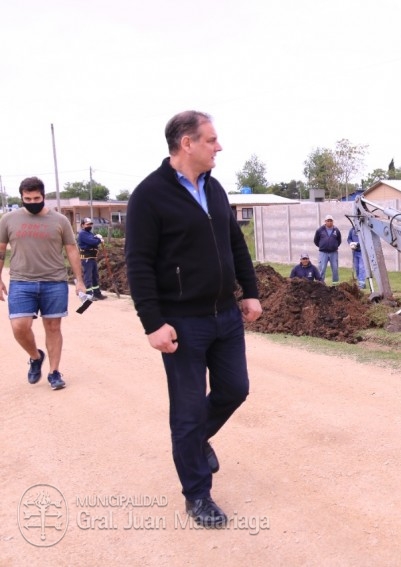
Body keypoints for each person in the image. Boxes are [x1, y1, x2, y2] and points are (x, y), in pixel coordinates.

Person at [124, 110, 262, 529]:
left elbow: (235, 243)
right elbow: (139, 263)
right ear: (187, 143)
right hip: (181, 323)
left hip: (225, 314)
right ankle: (197, 495)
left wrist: (251, 291)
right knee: (186, 411)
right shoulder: (149, 195)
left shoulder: (215, 189)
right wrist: (152, 323)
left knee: (235, 389)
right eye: (211, 139)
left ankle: (197, 441)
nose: (218, 147)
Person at [0, 176, 86, 390]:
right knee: (20, 326)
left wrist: (79, 280)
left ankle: (54, 372)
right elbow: (1, 251)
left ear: (43, 197)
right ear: (21, 197)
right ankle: (35, 356)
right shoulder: (8, 219)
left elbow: (72, 250)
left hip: (54, 282)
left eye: (36, 197)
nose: (31, 201)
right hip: (21, 282)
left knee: (53, 327)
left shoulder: (60, 220)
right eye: (27, 198)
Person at [77, 217, 106, 300]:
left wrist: (97, 239)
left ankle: (97, 293)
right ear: (82, 225)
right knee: (88, 276)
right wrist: (99, 239)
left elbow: (94, 241)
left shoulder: (90, 233)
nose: (89, 226)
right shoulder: (82, 234)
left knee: (95, 276)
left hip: (92, 258)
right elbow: (93, 242)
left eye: (90, 224)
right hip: (86, 258)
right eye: (87, 224)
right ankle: (88, 294)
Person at [313, 214, 342, 285]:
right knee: (322, 269)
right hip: (323, 253)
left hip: (333, 253)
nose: (329, 222)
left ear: (333, 222)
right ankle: (321, 283)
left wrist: (334, 246)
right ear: (325, 221)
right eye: (328, 221)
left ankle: (335, 284)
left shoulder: (336, 230)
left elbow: (339, 240)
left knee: (335, 269)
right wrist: (322, 246)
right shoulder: (320, 230)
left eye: (331, 221)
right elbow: (316, 240)